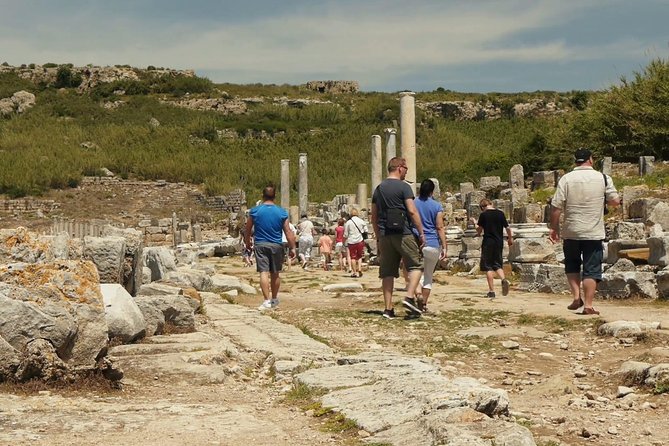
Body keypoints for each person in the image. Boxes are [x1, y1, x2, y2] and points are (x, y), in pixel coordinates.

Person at [549, 148, 620, 315]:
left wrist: (554, 227)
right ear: (591, 159)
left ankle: (576, 297)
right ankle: (588, 305)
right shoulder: (602, 178)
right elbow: (615, 201)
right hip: (593, 231)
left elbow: (556, 206)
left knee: (572, 264)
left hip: (571, 230)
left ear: (576, 160)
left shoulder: (566, 179)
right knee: (592, 268)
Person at [371, 156, 425, 319]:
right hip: (404, 232)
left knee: (387, 272)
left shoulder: (378, 189)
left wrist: (378, 236)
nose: (406, 172)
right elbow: (412, 211)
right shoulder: (404, 188)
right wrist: (421, 232)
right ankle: (409, 297)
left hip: (385, 234)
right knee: (416, 266)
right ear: (400, 168)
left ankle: (388, 309)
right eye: (406, 169)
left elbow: (373, 216)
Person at [244, 185, 296, 310]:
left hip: (261, 244)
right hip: (277, 244)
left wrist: (247, 243)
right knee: (275, 273)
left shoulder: (255, 211)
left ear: (262, 196)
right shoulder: (281, 212)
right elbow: (288, 231)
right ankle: (274, 299)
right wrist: (293, 247)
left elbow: (247, 229)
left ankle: (266, 300)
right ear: (274, 197)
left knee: (263, 272)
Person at [413, 179, 447, 313]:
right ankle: (424, 304)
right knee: (428, 276)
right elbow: (439, 227)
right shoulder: (437, 206)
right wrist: (444, 246)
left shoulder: (413, 203)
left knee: (413, 273)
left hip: (417, 242)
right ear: (432, 191)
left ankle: (417, 294)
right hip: (433, 243)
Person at [473, 199, 513, 299]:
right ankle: (503, 279)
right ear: (491, 204)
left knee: (488, 267)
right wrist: (510, 238)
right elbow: (507, 228)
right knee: (497, 264)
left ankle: (491, 291)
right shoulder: (500, 213)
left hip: (488, 242)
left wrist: (474, 223)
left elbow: (479, 230)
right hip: (499, 241)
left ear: (482, 207)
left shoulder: (484, 215)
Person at [343, 208, 368, 278]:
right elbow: (366, 230)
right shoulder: (361, 221)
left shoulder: (348, 222)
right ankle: (359, 269)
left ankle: (354, 272)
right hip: (360, 240)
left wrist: (344, 241)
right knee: (359, 256)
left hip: (351, 241)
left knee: (353, 257)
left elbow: (345, 234)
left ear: (350, 214)